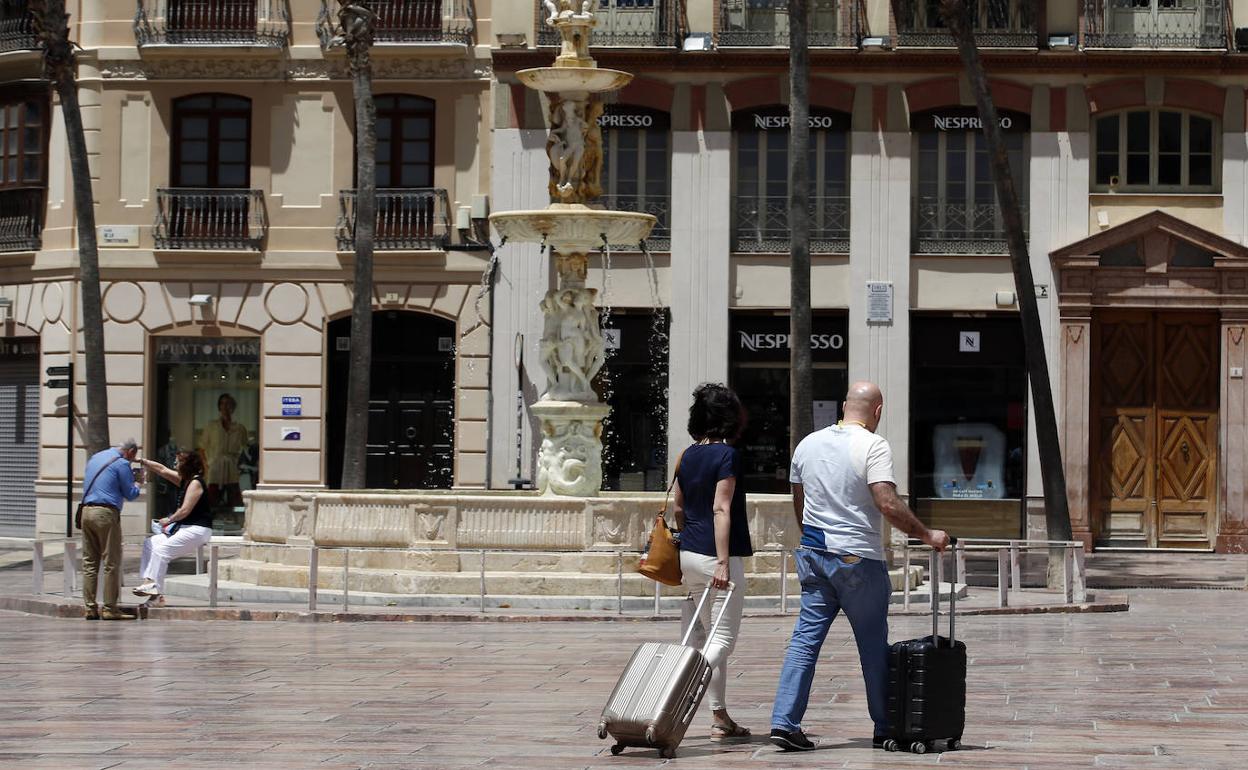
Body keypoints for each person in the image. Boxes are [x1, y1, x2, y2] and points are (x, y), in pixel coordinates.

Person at [769, 381, 951, 752]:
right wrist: (927, 534)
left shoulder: (807, 444)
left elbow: (799, 502)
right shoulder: (873, 445)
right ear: (878, 410)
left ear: (843, 405)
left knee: (804, 641)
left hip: (814, 554)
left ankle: (784, 722)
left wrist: (815, 540)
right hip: (857, 559)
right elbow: (887, 503)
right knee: (872, 645)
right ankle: (885, 726)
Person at [671, 383, 754, 741]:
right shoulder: (727, 455)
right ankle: (675, 685)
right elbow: (721, 508)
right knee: (723, 641)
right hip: (716, 557)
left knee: (707, 637)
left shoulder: (686, 455)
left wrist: (689, 541)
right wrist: (722, 561)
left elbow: (678, 508)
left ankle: (719, 716)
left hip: (688, 555)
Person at [133, 450, 214, 601]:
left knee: (162, 552)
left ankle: (153, 587)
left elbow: (185, 510)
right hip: (184, 528)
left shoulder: (196, 482)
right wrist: (141, 461)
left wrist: (169, 520)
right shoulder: (185, 481)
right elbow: (162, 470)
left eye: (177, 462)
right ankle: (151, 587)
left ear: (186, 465)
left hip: (198, 529)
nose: (174, 464)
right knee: (150, 543)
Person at [80, 439, 142, 620]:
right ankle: (109, 608)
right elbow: (131, 494)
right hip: (105, 514)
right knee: (111, 562)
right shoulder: (122, 463)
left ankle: (90, 608)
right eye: (133, 457)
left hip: (86, 511)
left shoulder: (96, 457)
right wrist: (139, 482)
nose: (132, 460)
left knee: (89, 563)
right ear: (130, 452)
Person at [199, 393, 248, 511]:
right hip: (215, 468)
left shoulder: (240, 428)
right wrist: (206, 466)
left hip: (232, 468)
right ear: (219, 406)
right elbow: (202, 448)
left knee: (235, 501)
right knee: (212, 499)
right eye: (222, 403)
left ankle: (236, 520)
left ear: (233, 407)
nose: (225, 407)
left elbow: (245, 448)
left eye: (228, 404)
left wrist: (240, 465)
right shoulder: (211, 426)